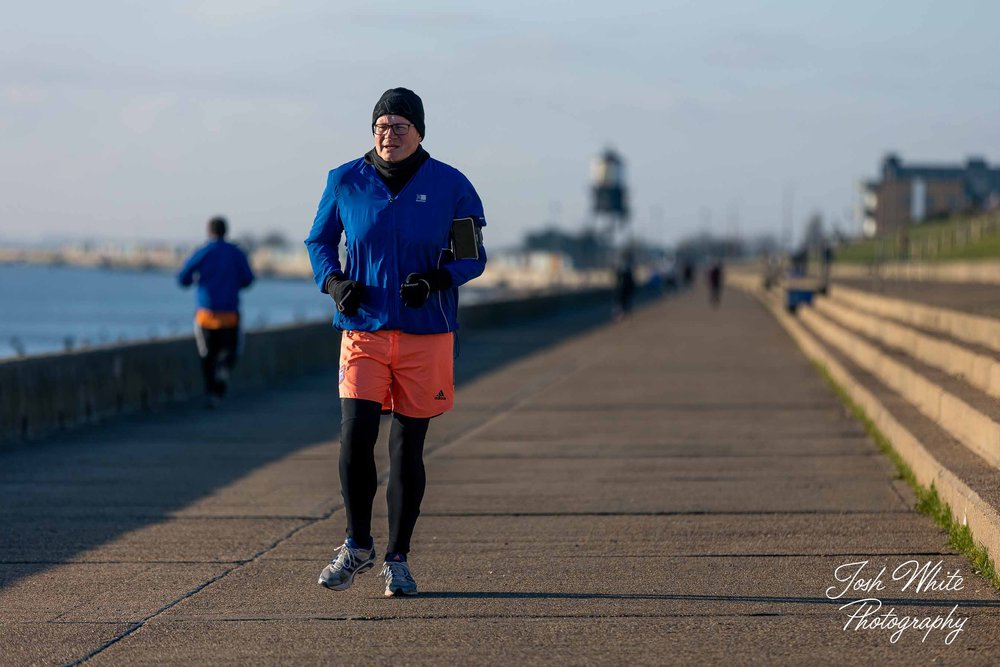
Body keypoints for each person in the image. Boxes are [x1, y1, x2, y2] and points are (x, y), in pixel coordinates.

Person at [305, 87, 487, 597]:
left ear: (419, 131)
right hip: (361, 329)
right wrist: (333, 281)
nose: (389, 135)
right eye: (381, 126)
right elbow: (319, 241)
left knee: (408, 448)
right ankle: (357, 544)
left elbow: (472, 255)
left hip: (425, 334)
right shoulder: (344, 180)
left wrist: (436, 279)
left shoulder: (452, 185)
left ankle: (397, 559)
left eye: (399, 126)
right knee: (354, 439)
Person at [177, 216, 255, 408]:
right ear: (225, 231)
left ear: (209, 231)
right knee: (231, 352)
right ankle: (222, 377)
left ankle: (212, 393)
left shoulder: (203, 252)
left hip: (206, 316)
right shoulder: (236, 253)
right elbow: (248, 279)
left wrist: (197, 281)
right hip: (230, 315)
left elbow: (182, 278)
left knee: (207, 355)